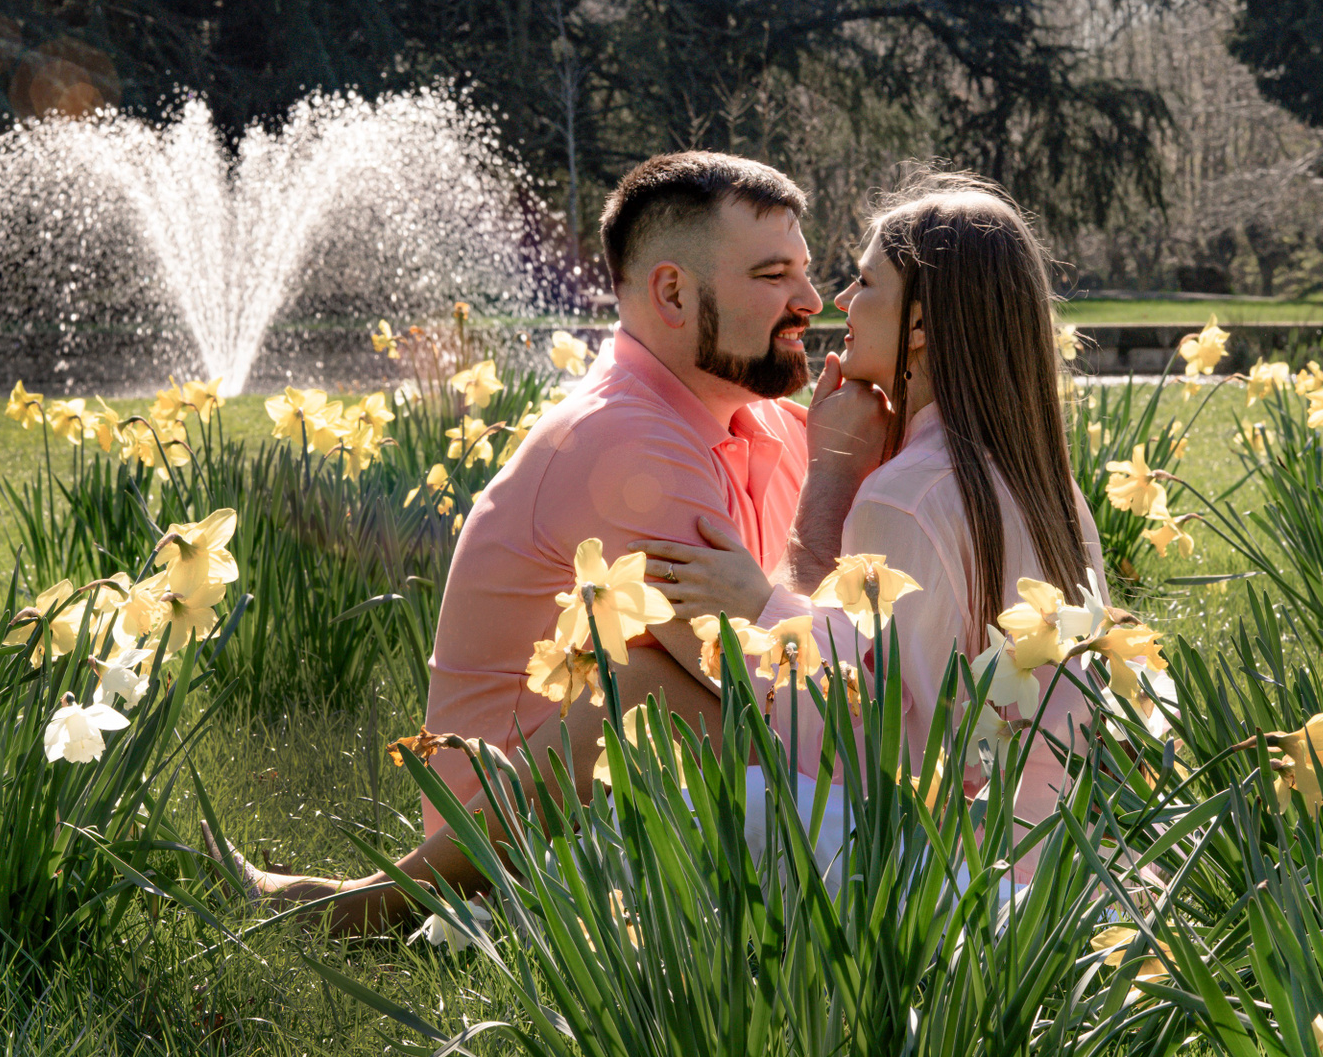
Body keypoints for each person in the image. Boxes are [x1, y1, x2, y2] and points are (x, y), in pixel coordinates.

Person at [205, 150, 891, 929]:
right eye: (773, 276)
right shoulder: (626, 445)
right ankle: (381, 906)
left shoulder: (767, 423)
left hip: (639, 808)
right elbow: (785, 695)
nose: (810, 302)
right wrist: (833, 487)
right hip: (529, 850)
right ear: (673, 292)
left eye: (806, 272)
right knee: (651, 691)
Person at [645, 167, 1107, 880]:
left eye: (864, 282)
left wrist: (762, 601)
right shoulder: (1049, 486)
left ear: (919, 325)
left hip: (956, 880)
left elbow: (872, 755)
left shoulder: (906, 495)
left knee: (686, 807)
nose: (840, 301)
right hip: (1064, 867)